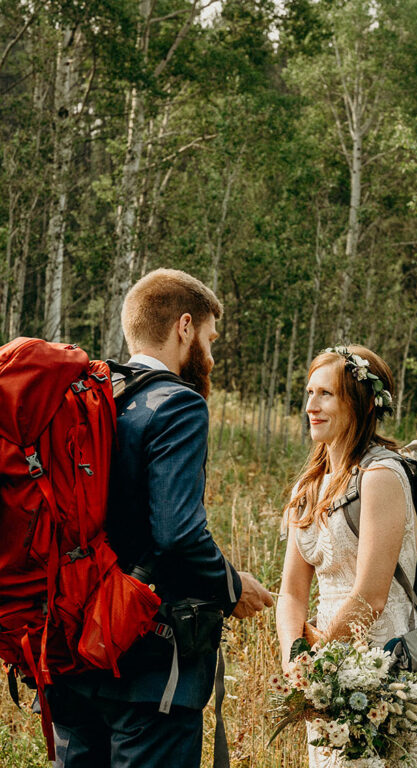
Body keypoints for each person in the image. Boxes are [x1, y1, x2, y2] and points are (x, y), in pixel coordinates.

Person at [45, 268, 274, 767]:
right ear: (185, 327)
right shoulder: (178, 404)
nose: (210, 356)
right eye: (210, 340)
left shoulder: (89, 398)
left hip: (71, 654)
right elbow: (177, 534)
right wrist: (232, 587)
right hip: (148, 670)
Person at [276, 345, 417, 768]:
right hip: (326, 670)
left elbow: (371, 596)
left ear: (359, 403)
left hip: (385, 668)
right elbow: (291, 593)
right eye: (309, 393)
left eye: (325, 394)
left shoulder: (381, 477)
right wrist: (296, 658)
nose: (311, 405)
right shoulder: (307, 489)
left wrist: (320, 659)